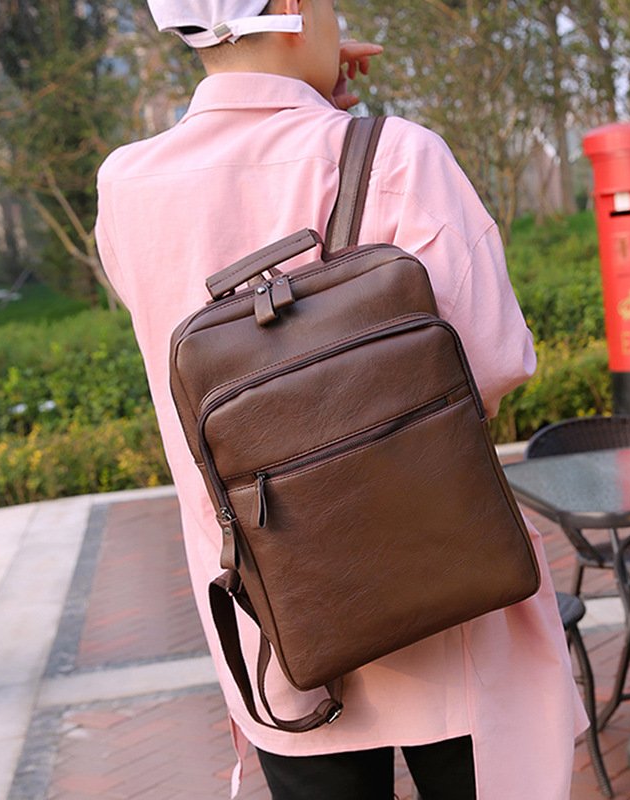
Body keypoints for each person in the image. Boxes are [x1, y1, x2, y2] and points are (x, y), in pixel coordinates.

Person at [95, 1, 588, 797]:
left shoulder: (125, 185)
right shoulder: (399, 157)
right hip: (439, 581)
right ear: (293, 6)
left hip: (281, 622)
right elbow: (497, 363)